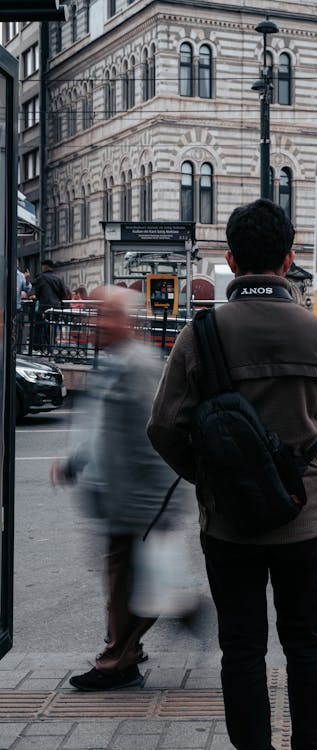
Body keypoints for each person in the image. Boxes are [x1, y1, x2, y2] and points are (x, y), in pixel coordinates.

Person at [147, 199, 317, 750]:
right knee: (307, 641)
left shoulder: (202, 334)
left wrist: (213, 478)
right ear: (289, 261)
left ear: (232, 261)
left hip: (229, 525)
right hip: (303, 519)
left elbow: (163, 428)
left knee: (241, 648)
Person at [50, 285, 181, 691]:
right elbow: (100, 430)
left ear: (129, 321)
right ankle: (129, 645)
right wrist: (75, 464)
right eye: (98, 314)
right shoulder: (112, 361)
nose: (98, 322)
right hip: (117, 499)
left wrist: (155, 505)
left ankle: (116, 661)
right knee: (125, 580)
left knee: (129, 583)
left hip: (137, 503)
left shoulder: (139, 365)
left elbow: (157, 436)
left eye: (108, 315)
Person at [30, 259, 67, 349]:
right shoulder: (58, 278)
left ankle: (40, 346)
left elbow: (36, 293)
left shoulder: (41, 278)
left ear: (45, 267)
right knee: (53, 326)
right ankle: (51, 344)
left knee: (40, 326)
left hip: (44, 307)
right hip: (56, 308)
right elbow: (64, 294)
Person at [16, 262, 32, 352]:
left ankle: (18, 349)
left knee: (18, 329)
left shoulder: (20, 275)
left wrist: (27, 280)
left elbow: (27, 288)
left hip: (17, 307)